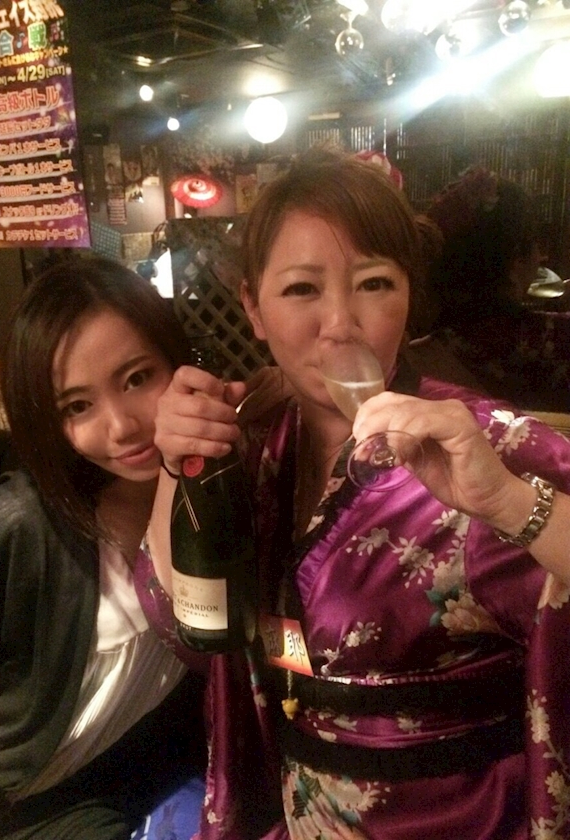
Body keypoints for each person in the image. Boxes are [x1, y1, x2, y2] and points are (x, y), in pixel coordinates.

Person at [149, 148, 570, 840]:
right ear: (253, 308)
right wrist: (177, 464)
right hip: (302, 807)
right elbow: (185, 614)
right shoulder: (254, 442)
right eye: (301, 290)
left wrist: (504, 501)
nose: (341, 323)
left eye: (373, 283)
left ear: (408, 297)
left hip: (458, 818)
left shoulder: (480, 441)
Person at [0, 256, 208, 839]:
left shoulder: (211, 507)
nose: (122, 426)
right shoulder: (20, 528)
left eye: (137, 378)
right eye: (78, 406)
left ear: (178, 363)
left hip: (84, 801)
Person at [423, 165, 570, 410]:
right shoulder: (551, 341)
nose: (541, 257)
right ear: (515, 258)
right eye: (536, 244)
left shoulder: (419, 348)